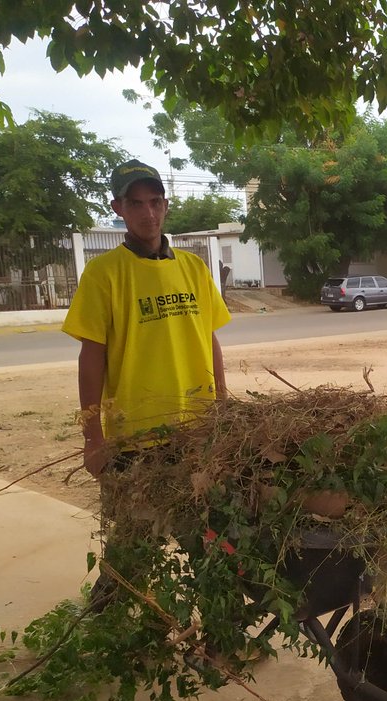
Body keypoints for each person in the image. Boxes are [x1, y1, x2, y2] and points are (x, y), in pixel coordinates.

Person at [63, 159, 231, 475]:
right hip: (134, 437)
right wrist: (93, 436)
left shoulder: (193, 267)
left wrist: (223, 407)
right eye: (136, 204)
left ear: (165, 205)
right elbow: (91, 357)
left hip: (198, 427)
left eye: (155, 202)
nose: (148, 214)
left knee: (203, 520)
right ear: (118, 208)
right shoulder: (103, 274)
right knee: (137, 524)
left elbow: (209, 338)